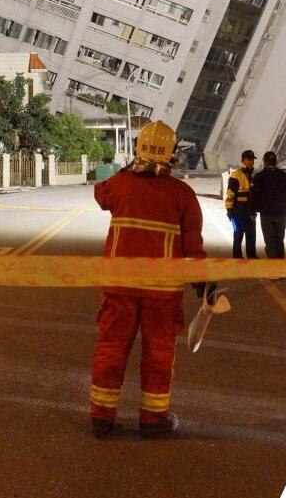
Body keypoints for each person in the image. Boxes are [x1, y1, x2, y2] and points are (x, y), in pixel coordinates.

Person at [89, 121, 207, 439]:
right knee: (159, 353)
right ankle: (153, 419)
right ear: (172, 155)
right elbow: (194, 245)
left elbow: (101, 194)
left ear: (138, 150)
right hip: (163, 291)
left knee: (112, 348)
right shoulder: (183, 194)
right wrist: (202, 280)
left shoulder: (121, 185)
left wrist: (129, 169)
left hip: (120, 286)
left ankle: (102, 416)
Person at [252, 151, 286, 258]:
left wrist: (253, 211)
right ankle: (280, 266)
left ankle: (273, 270)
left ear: (264, 162)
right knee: (280, 242)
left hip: (266, 214)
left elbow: (254, 196)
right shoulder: (284, 176)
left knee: (270, 243)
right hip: (281, 214)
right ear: (276, 162)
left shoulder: (258, 177)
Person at [225, 149, 257, 258]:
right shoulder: (236, 174)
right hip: (238, 209)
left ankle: (252, 256)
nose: (251, 161)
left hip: (251, 210)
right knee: (238, 235)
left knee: (251, 235)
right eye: (248, 159)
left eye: (252, 159)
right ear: (242, 160)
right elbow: (229, 194)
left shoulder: (254, 174)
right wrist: (229, 209)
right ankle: (237, 257)